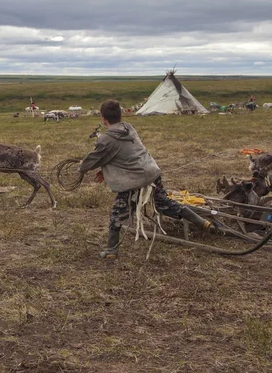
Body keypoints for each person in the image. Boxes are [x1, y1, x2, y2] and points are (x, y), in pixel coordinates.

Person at [79, 100, 213, 259]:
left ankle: (111, 250)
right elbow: (124, 154)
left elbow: (94, 159)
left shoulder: (106, 139)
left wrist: (81, 167)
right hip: (152, 172)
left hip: (135, 180)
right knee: (164, 203)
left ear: (102, 118)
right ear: (120, 115)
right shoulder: (128, 128)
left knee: (117, 213)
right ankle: (201, 222)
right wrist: (105, 168)